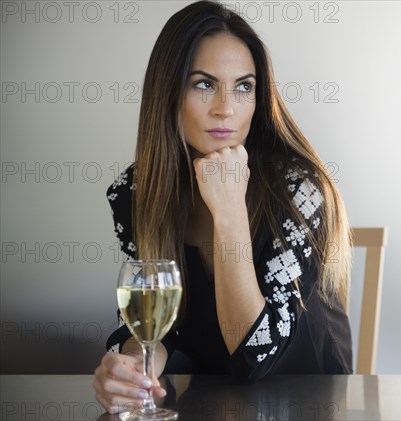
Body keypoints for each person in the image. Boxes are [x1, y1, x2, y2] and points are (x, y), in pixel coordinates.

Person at [93, 0, 353, 415]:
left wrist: (229, 209)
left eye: (244, 87)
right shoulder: (137, 190)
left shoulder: (297, 190)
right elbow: (160, 324)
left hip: (303, 401)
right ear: (168, 91)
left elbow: (255, 355)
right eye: (204, 84)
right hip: (207, 402)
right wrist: (129, 367)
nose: (226, 108)